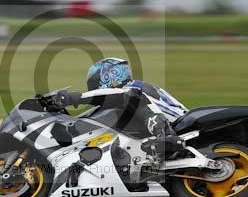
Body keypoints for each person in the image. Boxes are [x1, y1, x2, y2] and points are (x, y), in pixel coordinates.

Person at [49, 57, 187, 159]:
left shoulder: (134, 88)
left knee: (132, 97)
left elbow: (113, 95)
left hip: (176, 124)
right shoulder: (128, 96)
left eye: (93, 83)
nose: (93, 88)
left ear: (107, 76)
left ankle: (166, 136)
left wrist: (76, 98)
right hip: (172, 123)